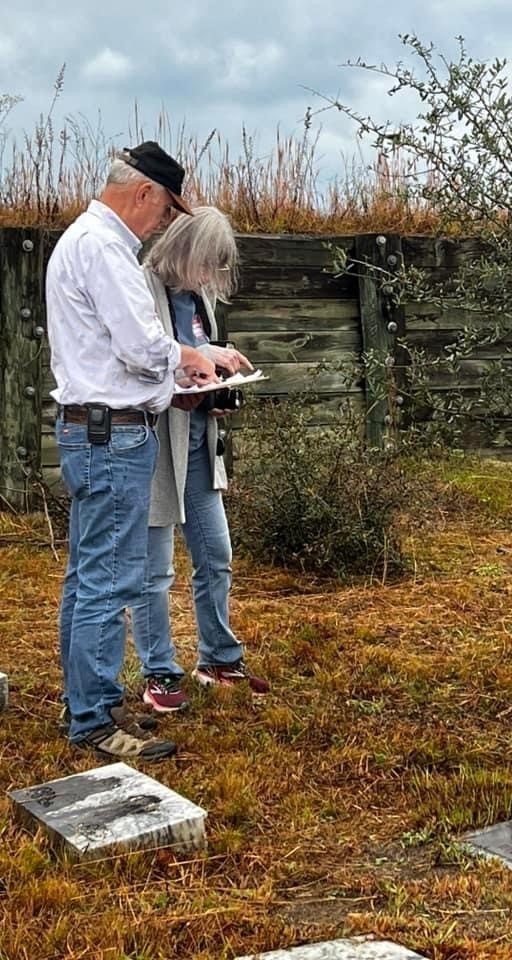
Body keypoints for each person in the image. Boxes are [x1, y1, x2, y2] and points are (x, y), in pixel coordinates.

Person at [47, 142, 220, 759]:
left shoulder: (85, 241)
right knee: (109, 580)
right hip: (113, 436)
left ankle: (86, 699)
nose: (165, 225)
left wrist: (182, 367)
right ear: (144, 193)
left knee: (87, 575)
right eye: (168, 213)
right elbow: (142, 347)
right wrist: (191, 358)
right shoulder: (106, 249)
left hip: (95, 430)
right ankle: (93, 719)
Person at [130, 205, 269, 713]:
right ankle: (159, 672)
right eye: (206, 262)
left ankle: (218, 658)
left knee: (216, 554)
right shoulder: (141, 288)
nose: (211, 275)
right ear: (184, 251)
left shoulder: (198, 295)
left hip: (198, 442)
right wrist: (190, 372)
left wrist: (218, 379)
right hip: (154, 446)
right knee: (154, 569)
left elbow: (194, 353)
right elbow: (138, 362)